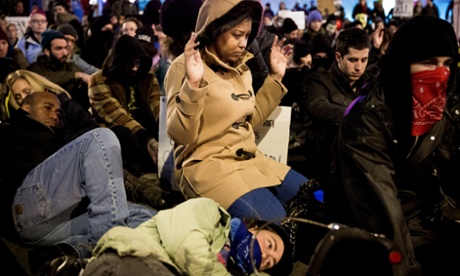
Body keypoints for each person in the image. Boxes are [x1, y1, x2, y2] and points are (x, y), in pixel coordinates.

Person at [331, 16, 460, 275]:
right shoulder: (367, 118)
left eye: (447, 64)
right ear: (404, 63)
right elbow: (380, 210)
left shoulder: (440, 104)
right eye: (428, 63)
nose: (440, 73)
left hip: (431, 219)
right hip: (382, 233)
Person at [165, 0, 307, 221]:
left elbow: (249, 122)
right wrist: (192, 86)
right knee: (275, 223)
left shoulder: (240, 68)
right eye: (237, 35)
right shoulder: (184, 66)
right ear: (214, 31)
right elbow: (181, 136)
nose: (243, 44)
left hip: (251, 161)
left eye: (247, 36)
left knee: (315, 200)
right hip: (208, 167)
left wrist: (276, 78)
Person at [0, 91, 156, 265]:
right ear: (26, 107)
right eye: (47, 107)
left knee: (145, 216)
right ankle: (111, 247)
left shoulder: (56, 138)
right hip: (26, 207)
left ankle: (69, 251)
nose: (54, 114)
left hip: (47, 229)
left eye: (59, 112)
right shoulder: (10, 129)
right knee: (100, 137)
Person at [82, 197, 293, 276]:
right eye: (270, 245)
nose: (265, 255)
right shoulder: (210, 211)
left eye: (268, 262)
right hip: (136, 260)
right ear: (255, 227)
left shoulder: (237, 269)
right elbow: (187, 249)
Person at [88, 35, 162, 197]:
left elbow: (157, 106)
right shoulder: (99, 80)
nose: (135, 68)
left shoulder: (147, 78)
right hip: (118, 131)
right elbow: (115, 114)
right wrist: (147, 138)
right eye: (130, 64)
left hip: (145, 127)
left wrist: (164, 131)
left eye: (138, 63)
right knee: (125, 136)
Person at [300, 27, 375, 183]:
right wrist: (359, 117)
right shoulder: (319, 80)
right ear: (338, 57)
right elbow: (317, 105)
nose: (359, 67)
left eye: (364, 60)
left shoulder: (371, 82)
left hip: (366, 165)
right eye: (353, 60)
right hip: (327, 168)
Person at [27, 29, 91, 110]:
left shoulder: (71, 67)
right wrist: (76, 75)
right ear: (47, 51)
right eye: (59, 49)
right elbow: (46, 80)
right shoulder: (35, 68)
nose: (65, 53)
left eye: (65, 48)